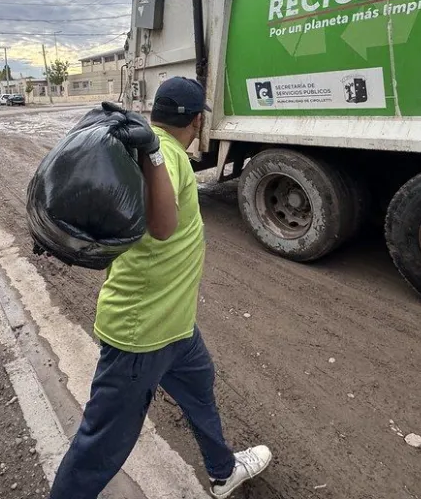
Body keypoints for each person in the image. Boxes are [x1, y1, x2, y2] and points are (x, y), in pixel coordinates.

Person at [49, 76, 272, 499]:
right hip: (142, 333)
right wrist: (153, 153)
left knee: (199, 387)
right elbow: (164, 228)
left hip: (175, 326)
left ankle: (223, 473)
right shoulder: (163, 154)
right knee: (101, 444)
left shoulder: (149, 149)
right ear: (194, 122)